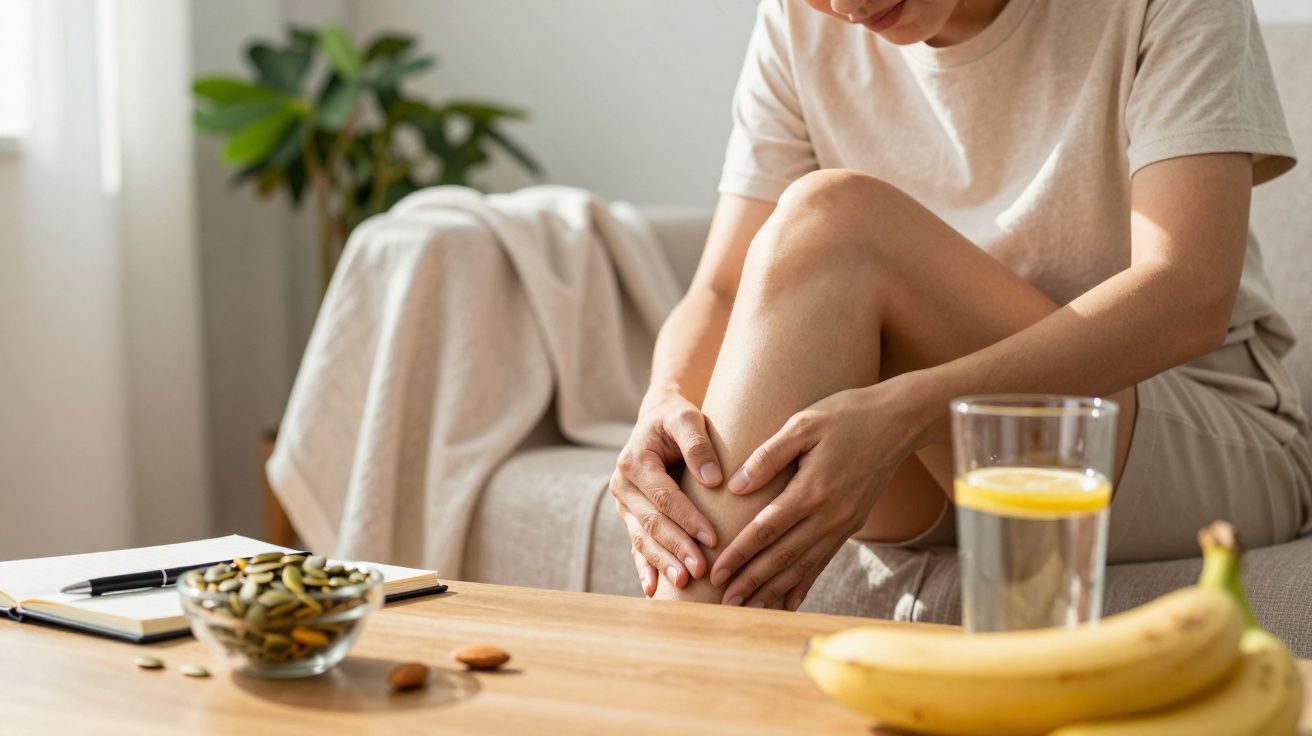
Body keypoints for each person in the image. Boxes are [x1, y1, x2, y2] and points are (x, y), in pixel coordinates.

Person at [607, 0, 1312, 612]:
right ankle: (681, 668)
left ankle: (670, 668)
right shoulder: (796, 21)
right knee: (811, 230)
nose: (847, 7)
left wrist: (913, 413)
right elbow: (724, 289)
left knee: (836, 217)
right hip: (924, 449)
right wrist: (662, 403)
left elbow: (1187, 295)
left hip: (1180, 431)